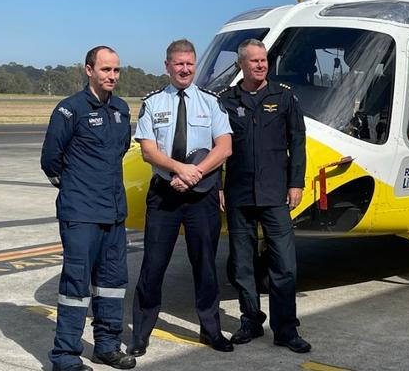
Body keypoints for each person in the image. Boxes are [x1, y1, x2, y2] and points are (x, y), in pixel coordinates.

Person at [128, 39, 233, 357]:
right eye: (178, 63)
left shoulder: (211, 103)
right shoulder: (152, 103)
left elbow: (224, 147)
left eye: (189, 63)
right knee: (153, 266)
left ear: (195, 64)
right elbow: (148, 151)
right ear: (167, 66)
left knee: (205, 266)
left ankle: (211, 330)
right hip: (164, 196)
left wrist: (195, 174)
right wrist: (179, 170)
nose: (185, 69)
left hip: (202, 197)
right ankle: (141, 334)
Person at [41, 46, 135, 371]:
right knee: (75, 286)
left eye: (116, 71)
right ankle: (65, 356)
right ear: (89, 70)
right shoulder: (70, 110)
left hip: (113, 213)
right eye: (106, 69)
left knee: (112, 283)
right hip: (80, 214)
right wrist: (74, 189)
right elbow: (50, 160)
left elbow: (121, 151)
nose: (112, 76)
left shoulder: (122, 110)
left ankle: (107, 346)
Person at [219, 38, 311, 353]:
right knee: (242, 263)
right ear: (241, 65)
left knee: (284, 264)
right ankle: (250, 321)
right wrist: (219, 184)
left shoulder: (283, 98)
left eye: (264, 60)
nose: (261, 65)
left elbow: (298, 141)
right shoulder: (226, 101)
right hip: (239, 193)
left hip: (275, 193)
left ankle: (285, 329)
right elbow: (216, 146)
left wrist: (296, 183)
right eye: (255, 61)